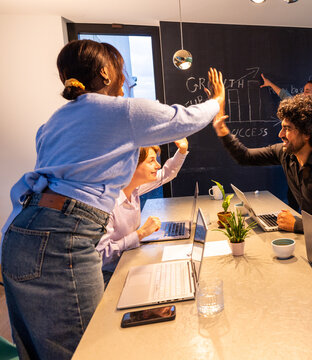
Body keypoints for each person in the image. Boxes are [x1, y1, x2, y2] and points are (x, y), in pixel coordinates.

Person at [0, 39, 225, 360]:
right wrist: (217, 101)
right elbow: (185, 118)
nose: (125, 79)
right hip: (64, 237)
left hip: (20, 234)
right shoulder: (121, 112)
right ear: (106, 72)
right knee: (90, 349)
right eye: (122, 70)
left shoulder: (52, 123)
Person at [213, 93, 312, 241]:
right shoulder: (286, 154)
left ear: (307, 133)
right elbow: (244, 156)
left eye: (287, 129)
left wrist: (297, 225)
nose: (280, 134)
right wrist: (222, 129)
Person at [97, 139, 189, 286]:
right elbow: (101, 256)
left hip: (128, 261)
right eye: (151, 161)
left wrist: (182, 151)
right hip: (111, 276)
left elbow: (165, 174)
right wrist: (140, 234)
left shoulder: (134, 190)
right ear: (131, 166)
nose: (157, 165)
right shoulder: (108, 205)